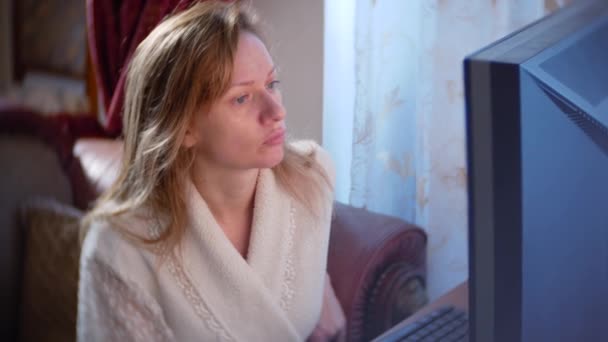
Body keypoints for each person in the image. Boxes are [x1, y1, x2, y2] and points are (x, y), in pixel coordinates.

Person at [77, 1, 346, 341]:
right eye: (241, 99)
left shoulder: (311, 177)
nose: (276, 111)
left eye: (272, 84)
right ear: (184, 128)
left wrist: (322, 287)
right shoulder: (120, 251)